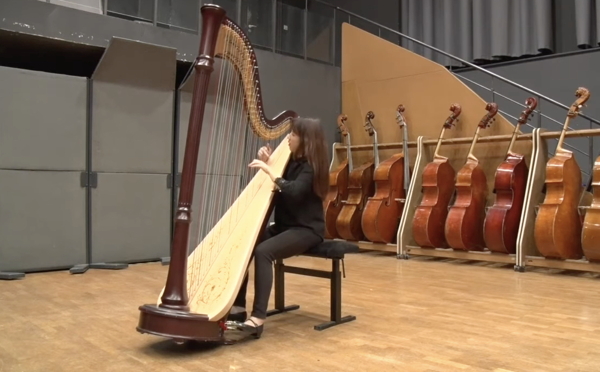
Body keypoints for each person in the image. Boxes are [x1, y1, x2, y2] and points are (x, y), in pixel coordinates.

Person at [227, 117, 330, 339]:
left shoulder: (311, 167)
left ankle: (258, 318)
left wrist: (268, 170)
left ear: (305, 140)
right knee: (246, 242)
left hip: (307, 230)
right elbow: (280, 181)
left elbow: (292, 190)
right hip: (286, 226)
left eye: (292, 135)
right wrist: (269, 161)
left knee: (264, 251)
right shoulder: (290, 160)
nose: (288, 139)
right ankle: (237, 307)